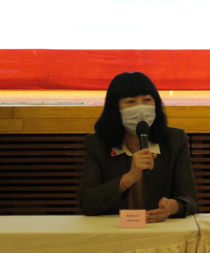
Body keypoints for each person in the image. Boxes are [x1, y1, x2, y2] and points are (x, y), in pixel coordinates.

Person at [78, 72, 197, 222]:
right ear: (115, 108)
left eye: (147, 100)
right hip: (114, 230)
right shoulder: (97, 144)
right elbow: (87, 203)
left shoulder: (174, 140)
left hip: (160, 229)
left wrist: (174, 207)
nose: (140, 108)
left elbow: (190, 199)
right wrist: (128, 178)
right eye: (131, 102)